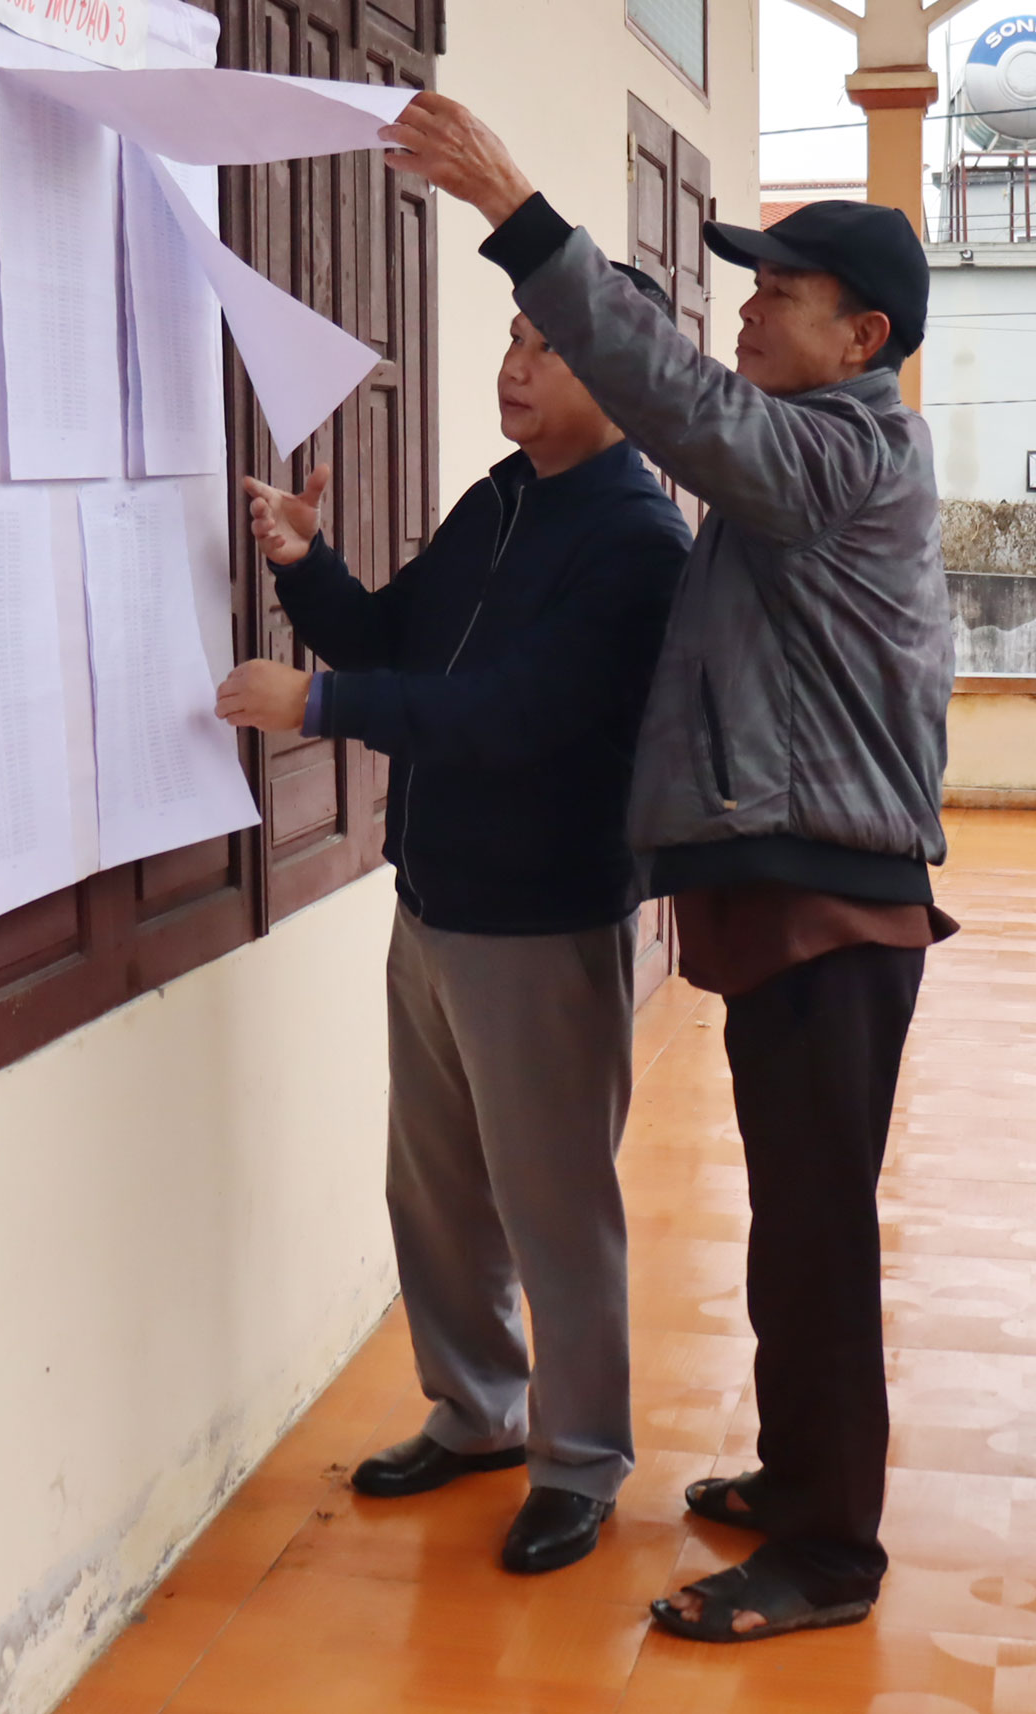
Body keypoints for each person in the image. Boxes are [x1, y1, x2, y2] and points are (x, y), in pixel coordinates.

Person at [380, 93, 956, 1642]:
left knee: (819, 1235)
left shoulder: (848, 451)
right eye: (750, 286)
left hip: (833, 903)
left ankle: (829, 1552)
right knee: (792, 1220)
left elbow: (685, 406)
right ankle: (798, 1473)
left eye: (782, 294)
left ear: (864, 337)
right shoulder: (809, 456)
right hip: (781, 896)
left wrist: (517, 210)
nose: (748, 312)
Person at [212, 263, 691, 1576]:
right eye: (514, 337)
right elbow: (392, 642)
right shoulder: (500, 500)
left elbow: (516, 716)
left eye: (551, 347)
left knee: (555, 1208)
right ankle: (477, 1410)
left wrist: (317, 708)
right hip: (433, 900)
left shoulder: (638, 543)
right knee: (433, 1188)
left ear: (627, 379)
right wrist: (308, 564)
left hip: (542, 920)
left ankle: (578, 1460)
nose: (515, 365)